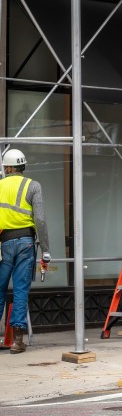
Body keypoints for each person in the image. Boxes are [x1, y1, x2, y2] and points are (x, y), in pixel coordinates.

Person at [0, 149, 50, 354]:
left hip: (3, 244)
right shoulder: (33, 186)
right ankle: (17, 341)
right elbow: (40, 219)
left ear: (9, 167)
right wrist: (46, 250)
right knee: (20, 290)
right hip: (26, 243)